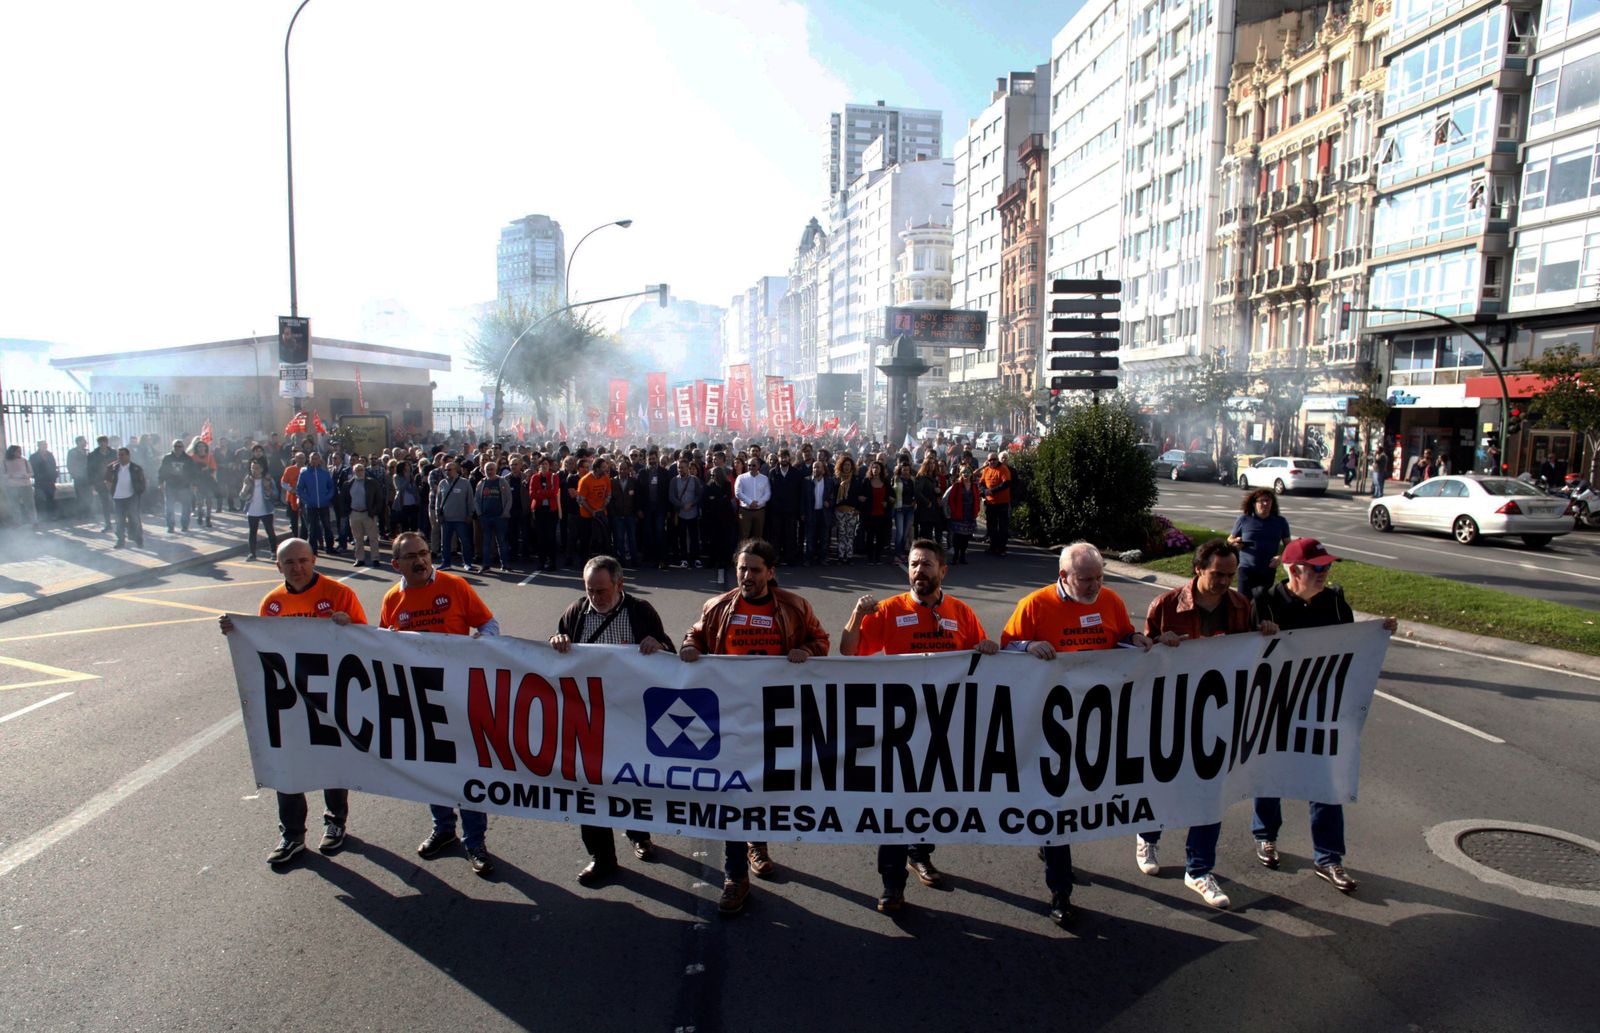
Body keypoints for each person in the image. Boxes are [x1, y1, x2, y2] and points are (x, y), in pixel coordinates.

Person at [840, 538, 998, 912]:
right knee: (895, 804)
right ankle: (892, 884)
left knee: (931, 797)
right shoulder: (891, 610)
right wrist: (856, 615)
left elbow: (980, 653)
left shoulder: (961, 611)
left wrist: (988, 648)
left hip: (945, 726)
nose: (918, 571)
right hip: (899, 727)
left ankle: (920, 853)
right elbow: (848, 652)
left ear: (943, 571)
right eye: (913, 564)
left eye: (926, 564)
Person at [1001, 542, 1155, 925]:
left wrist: (1134, 640)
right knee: (1056, 802)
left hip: (1095, 725)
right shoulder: (1035, 605)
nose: (1095, 586)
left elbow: (1121, 636)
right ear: (1064, 577)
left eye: (1100, 577)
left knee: (1078, 801)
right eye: (1087, 579)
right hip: (1048, 724)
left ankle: (1050, 846)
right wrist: (1027, 645)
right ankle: (1060, 890)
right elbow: (1005, 649)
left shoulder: (1112, 601)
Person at [680, 538, 829, 916]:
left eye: (755, 570)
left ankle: (758, 844)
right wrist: (690, 646)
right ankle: (735, 877)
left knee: (764, 788)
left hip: (776, 715)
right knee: (733, 792)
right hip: (729, 716)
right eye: (742, 569)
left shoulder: (794, 606)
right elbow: (695, 634)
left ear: (771, 573)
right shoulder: (718, 606)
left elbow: (821, 640)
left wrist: (807, 651)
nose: (746, 576)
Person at [1136, 539, 1278, 909]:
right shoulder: (1166, 606)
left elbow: (1249, 654)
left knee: (1211, 793)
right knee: (1165, 784)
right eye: (1217, 574)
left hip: (1219, 717)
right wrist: (1155, 643)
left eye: (1230, 575)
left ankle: (1198, 869)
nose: (1224, 582)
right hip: (1170, 713)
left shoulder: (1240, 605)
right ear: (1198, 569)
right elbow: (1138, 658)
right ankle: (1148, 835)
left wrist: (1263, 633)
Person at [1250, 538, 1397, 894]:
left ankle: (1328, 856)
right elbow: (1245, 651)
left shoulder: (1334, 603)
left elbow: (1350, 646)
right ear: (1293, 570)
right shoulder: (1265, 602)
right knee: (1270, 772)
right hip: (1275, 705)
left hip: (1321, 706)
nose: (1325, 573)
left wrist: (1376, 633)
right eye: (1317, 568)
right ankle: (1265, 836)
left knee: (1327, 778)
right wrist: (1261, 633)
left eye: (1327, 567)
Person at [218, 537, 366, 865]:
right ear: (278, 567)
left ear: (314, 560)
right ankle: (292, 834)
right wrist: (237, 631)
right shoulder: (271, 603)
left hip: (330, 695)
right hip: (289, 699)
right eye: (289, 563)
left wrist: (349, 625)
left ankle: (335, 822)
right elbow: (262, 646)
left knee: (331, 760)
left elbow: (368, 643)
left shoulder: (340, 594)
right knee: (286, 762)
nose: (297, 568)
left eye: (303, 560)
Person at [380, 531, 501, 876]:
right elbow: (380, 644)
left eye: (423, 553)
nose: (419, 561)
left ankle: (475, 840)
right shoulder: (392, 599)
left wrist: (482, 642)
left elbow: (488, 623)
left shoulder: (455, 586)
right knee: (433, 768)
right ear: (396, 564)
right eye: (410, 557)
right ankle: (444, 828)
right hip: (420, 700)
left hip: (460, 696)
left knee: (466, 768)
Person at [550, 555, 675, 884]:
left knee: (631, 781)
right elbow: (556, 652)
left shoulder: (640, 612)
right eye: (589, 590)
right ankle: (602, 858)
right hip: (588, 718)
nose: (595, 596)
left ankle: (639, 834)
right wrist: (557, 641)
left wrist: (658, 644)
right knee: (588, 788)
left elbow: (669, 654)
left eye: (602, 590)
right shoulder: (576, 612)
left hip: (631, 716)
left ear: (620, 585)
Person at [1228, 489, 1291, 598]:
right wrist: (1235, 542)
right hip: (1246, 568)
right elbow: (1230, 539)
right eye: (1262, 501)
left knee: (1261, 603)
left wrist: (1280, 557)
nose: (1265, 504)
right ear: (1254, 503)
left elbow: (1289, 546)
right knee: (1243, 601)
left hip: (1268, 569)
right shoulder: (1244, 519)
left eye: (1268, 501)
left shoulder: (1280, 522)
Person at [432, 459, 473, 570]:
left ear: (456, 470)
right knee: (445, 543)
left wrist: (470, 514)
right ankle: (446, 563)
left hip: (461, 518)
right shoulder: (442, 483)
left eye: (449, 470)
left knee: (465, 542)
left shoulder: (465, 483)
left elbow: (470, 500)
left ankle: (468, 563)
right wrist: (437, 515)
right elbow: (438, 500)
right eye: (445, 470)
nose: (447, 472)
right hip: (446, 519)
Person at [343, 461, 384, 566]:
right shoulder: (348, 484)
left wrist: (374, 511)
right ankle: (359, 559)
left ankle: (375, 559)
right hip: (354, 514)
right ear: (353, 471)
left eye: (361, 470)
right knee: (357, 538)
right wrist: (348, 512)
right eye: (357, 470)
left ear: (365, 471)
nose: (360, 472)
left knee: (373, 537)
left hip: (368, 514)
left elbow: (379, 499)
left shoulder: (372, 483)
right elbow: (344, 499)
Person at [295, 451, 337, 555]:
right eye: (312, 459)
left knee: (327, 526)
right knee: (312, 528)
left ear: (320, 460)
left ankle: (330, 548)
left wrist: (327, 497)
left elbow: (331, 487)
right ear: (309, 460)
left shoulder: (324, 473)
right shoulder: (304, 474)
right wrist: (307, 499)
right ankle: (313, 550)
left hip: (323, 505)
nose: (314, 461)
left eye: (316, 458)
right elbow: (299, 489)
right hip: (310, 506)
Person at [240, 458, 281, 561]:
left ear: (262, 469)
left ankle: (273, 552)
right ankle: (252, 554)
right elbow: (241, 496)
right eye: (252, 468)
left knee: (270, 531)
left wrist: (268, 490)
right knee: (252, 532)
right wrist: (245, 489)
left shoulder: (268, 479)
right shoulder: (248, 479)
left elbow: (276, 495)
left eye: (257, 468)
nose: (254, 470)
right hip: (252, 510)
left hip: (266, 510)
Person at [475, 459, 512, 573]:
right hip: (486, 517)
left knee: (501, 542)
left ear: (495, 470)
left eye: (491, 469)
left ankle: (504, 564)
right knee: (486, 543)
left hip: (500, 517)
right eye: (487, 469)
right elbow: (476, 499)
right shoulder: (481, 483)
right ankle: (486, 565)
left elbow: (509, 498)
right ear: (484, 470)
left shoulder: (502, 481)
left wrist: (505, 513)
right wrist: (480, 513)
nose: (489, 471)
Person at [105, 446, 146, 547]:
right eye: (119, 455)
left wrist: (138, 492)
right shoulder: (112, 467)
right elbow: (107, 480)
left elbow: (142, 482)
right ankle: (120, 540)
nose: (120, 457)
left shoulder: (136, 468)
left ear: (128, 456)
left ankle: (138, 538)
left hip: (131, 497)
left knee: (134, 519)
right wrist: (112, 492)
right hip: (118, 498)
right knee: (119, 520)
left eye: (123, 455)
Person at [942, 465, 982, 564]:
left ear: (971, 474)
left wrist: (976, 511)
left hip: (969, 514)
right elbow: (951, 499)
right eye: (963, 472)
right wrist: (954, 511)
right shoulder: (957, 485)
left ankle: (963, 556)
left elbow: (977, 499)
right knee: (957, 536)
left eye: (967, 472)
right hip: (958, 514)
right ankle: (955, 555)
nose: (966, 474)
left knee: (965, 537)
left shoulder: (974, 486)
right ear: (960, 474)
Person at [576, 456, 613, 559]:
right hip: (587, 515)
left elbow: (608, 495)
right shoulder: (585, 480)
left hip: (601, 513)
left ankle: (603, 560)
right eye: (604, 467)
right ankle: (584, 561)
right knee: (586, 539)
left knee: (604, 538)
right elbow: (580, 499)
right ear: (597, 469)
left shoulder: (606, 478)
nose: (606, 468)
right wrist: (591, 511)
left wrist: (602, 508)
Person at [669, 457, 703, 568]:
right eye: (679, 467)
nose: (680, 470)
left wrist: (692, 504)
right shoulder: (674, 481)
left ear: (688, 468)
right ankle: (684, 559)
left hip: (693, 513)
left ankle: (696, 558)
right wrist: (682, 505)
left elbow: (699, 495)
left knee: (694, 537)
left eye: (682, 468)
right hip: (681, 514)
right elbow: (672, 497)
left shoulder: (695, 480)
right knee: (682, 537)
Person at [529, 456, 562, 571]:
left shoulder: (554, 477)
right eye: (542, 464)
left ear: (549, 466)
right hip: (539, 510)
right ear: (539, 466)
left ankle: (552, 562)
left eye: (546, 464)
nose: (544, 466)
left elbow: (554, 492)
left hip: (551, 510)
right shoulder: (535, 477)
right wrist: (545, 493)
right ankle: (541, 561)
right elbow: (532, 494)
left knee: (551, 537)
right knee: (541, 537)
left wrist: (541, 492)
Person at [978, 452, 1013, 555]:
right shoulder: (987, 470)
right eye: (990, 460)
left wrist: (992, 490)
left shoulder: (1003, 469)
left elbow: (1006, 483)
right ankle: (993, 546)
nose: (992, 461)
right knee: (991, 526)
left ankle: (1002, 548)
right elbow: (981, 483)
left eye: (994, 459)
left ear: (997, 459)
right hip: (990, 503)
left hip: (1002, 503)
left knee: (1003, 527)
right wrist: (984, 491)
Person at [803, 458, 836, 565]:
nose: (816, 469)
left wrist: (829, 503)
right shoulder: (807, 481)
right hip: (811, 513)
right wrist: (802, 513)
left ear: (823, 470)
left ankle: (823, 558)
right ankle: (809, 559)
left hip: (824, 513)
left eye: (818, 467)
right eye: (814, 467)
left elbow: (834, 498)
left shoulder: (829, 481)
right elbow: (802, 499)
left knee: (824, 538)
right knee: (810, 538)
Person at [157, 439, 194, 534]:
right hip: (171, 486)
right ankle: (170, 526)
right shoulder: (167, 458)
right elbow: (162, 471)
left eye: (180, 446)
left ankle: (185, 525)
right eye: (176, 446)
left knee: (186, 508)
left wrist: (193, 484)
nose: (178, 448)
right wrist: (160, 482)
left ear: (183, 447)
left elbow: (193, 473)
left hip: (184, 487)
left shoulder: (188, 459)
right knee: (169, 508)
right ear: (172, 447)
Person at [734, 452, 771, 542]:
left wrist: (758, 503)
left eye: (753, 465)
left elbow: (767, 493)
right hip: (745, 511)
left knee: (758, 537)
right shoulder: (741, 477)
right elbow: (738, 492)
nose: (751, 467)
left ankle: (756, 554)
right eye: (749, 465)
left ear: (758, 466)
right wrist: (750, 502)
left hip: (759, 511)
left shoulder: (764, 478)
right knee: (744, 536)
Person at [833, 454, 862, 564]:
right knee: (841, 534)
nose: (846, 467)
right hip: (839, 510)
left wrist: (858, 509)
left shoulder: (855, 479)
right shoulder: (836, 478)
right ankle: (840, 556)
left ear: (852, 466)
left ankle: (849, 556)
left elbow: (859, 496)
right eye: (845, 465)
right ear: (841, 466)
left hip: (851, 511)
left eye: (849, 465)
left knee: (850, 535)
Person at [3, 445, 36, 527]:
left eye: (20, 451)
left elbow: (31, 473)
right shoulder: (4, 462)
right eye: (18, 451)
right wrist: (11, 475)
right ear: (12, 452)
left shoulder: (24, 460)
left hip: (25, 484)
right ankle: (17, 522)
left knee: (30, 504)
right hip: (12, 486)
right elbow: (2, 474)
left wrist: (26, 475)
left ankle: (34, 522)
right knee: (14, 505)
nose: (19, 453)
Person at [88, 436, 116, 530]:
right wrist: (92, 484)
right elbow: (90, 470)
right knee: (105, 503)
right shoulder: (92, 455)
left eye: (105, 442)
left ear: (107, 443)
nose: (103, 444)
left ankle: (122, 522)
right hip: (100, 481)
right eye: (101, 442)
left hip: (114, 480)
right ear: (98, 443)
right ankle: (108, 524)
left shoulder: (114, 453)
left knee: (118, 502)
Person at [28, 440, 58, 522]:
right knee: (40, 499)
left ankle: (51, 515)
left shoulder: (50, 455)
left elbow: (53, 466)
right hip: (40, 481)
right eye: (43, 445)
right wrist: (37, 476)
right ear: (39, 446)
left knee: (51, 498)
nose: (45, 446)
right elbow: (32, 468)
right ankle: (41, 516)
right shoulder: (34, 456)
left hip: (50, 481)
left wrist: (54, 475)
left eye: (45, 444)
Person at [67, 436, 91, 520]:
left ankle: (88, 513)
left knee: (88, 496)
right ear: (79, 442)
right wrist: (75, 474)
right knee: (80, 496)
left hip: (87, 477)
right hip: (78, 478)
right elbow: (70, 465)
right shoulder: (72, 452)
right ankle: (80, 514)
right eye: (84, 441)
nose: (86, 443)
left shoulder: (87, 452)